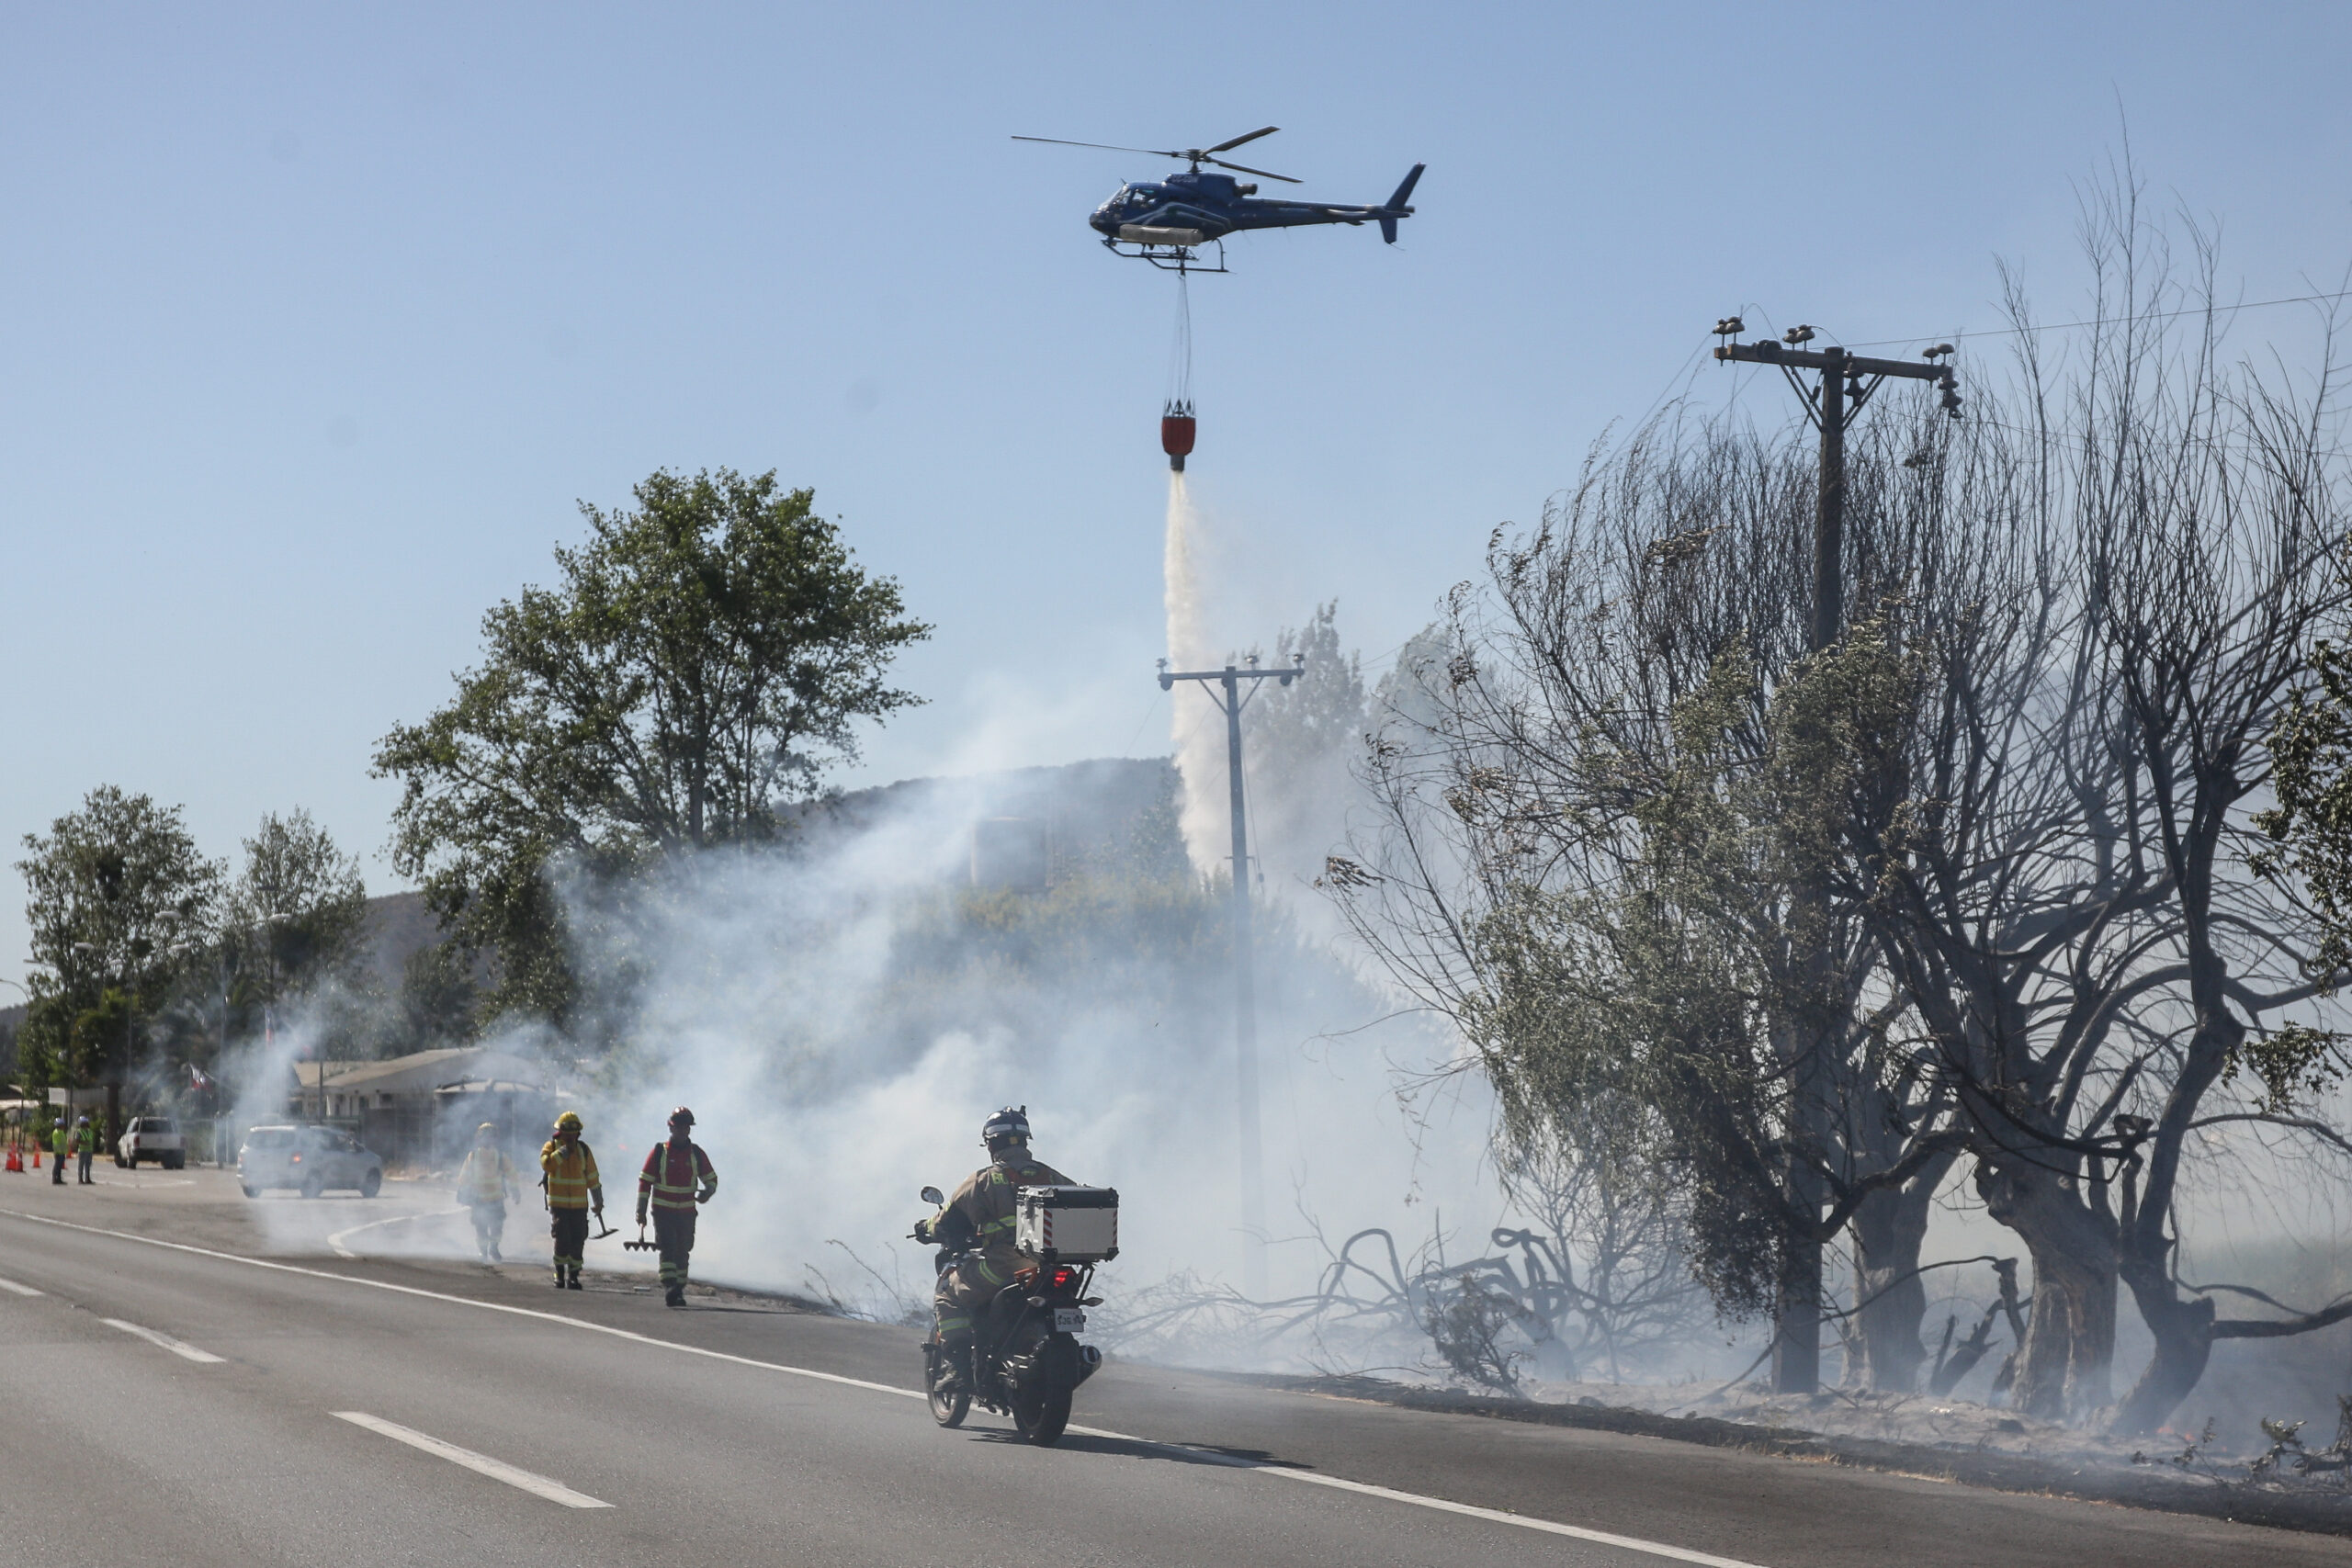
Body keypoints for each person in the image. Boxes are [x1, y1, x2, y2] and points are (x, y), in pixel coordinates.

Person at [917, 1106, 1072, 1389]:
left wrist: (924, 1228)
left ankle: (959, 1370)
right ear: (1026, 1141)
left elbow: (947, 1220)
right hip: (1052, 1270)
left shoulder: (983, 1180)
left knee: (947, 1293)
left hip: (1003, 1268)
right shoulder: (1054, 1178)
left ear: (990, 1143)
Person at [635, 1107, 718, 1307]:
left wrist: (707, 1192)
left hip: (687, 1213)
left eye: (686, 1127)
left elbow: (711, 1179)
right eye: (679, 1127)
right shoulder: (659, 1153)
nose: (682, 1131)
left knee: (683, 1250)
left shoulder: (696, 1154)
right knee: (668, 1247)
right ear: (671, 1127)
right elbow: (645, 1182)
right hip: (663, 1212)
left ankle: (679, 1288)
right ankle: (670, 1286)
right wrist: (641, 1210)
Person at [538, 1111, 603, 1290]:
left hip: (579, 1205)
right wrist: (561, 1153)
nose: (570, 1137)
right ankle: (559, 1275)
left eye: (573, 1133)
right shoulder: (551, 1146)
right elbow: (546, 1164)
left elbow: (592, 1177)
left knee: (578, 1239)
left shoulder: (584, 1150)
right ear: (561, 1132)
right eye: (566, 1133)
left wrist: (598, 1201)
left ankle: (573, 1276)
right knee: (562, 1238)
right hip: (559, 1205)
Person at [455, 1122, 520, 1262]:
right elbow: (465, 1175)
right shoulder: (472, 1156)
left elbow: (512, 1174)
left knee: (497, 1227)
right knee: (481, 1227)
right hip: (478, 1200)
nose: (488, 1140)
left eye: (491, 1137)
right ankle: (483, 1252)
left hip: (496, 1199)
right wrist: (462, 1190)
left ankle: (494, 1247)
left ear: (496, 1139)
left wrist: (515, 1190)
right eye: (485, 1137)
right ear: (478, 1139)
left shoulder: (501, 1157)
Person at [74, 1116, 96, 1184]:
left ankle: (87, 1178)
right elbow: (77, 1140)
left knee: (88, 1165)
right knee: (81, 1165)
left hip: (89, 1150)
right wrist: (84, 1143)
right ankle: (80, 1179)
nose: (86, 1124)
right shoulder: (79, 1131)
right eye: (84, 1123)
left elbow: (91, 1140)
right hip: (82, 1150)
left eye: (86, 1123)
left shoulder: (90, 1131)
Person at [50, 1118, 66, 1186]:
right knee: (57, 1165)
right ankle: (54, 1178)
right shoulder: (56, 1132)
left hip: (62, 1151)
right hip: (58, 1152)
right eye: (61, 1125)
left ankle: (58, 1178)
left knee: (60, 1166)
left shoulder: (61, 1132)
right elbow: (56, 1143)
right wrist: (58, 1151)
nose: (63, 1126)